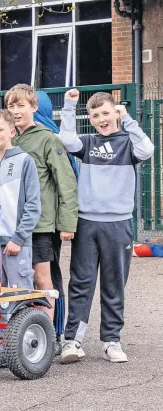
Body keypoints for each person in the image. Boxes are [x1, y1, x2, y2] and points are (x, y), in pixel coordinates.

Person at [59, 89, 154, 364]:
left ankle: (112, 341)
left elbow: (147, 150)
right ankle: (73, 340)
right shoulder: (87, 142)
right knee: (81, 282)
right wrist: (69, 106)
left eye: (105, 113)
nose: (101, 118)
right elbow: (66, 140)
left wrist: (129, 121)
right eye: (95, 114)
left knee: (114, 284)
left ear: (116, 113)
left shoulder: (129, 144)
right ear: (90, 118)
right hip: (87, 223)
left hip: (119, 224)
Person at [4, 84, 78, 322]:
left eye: (21, 106)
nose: (16, 111)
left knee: (42, 278)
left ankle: (49, 334)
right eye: (11, 106)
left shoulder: (47, 139)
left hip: (41, 224)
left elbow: (66, 182)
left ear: (34, 107)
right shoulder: (9, 138)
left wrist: (67, 223)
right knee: (14, 279)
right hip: (12, 225)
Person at [0, 109, 41, 370]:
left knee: (19, 294)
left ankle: (23, 349)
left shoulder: (25, 161)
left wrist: (19, 236)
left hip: (16, 243)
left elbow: (33, 206)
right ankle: (0, 348)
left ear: (12, 131)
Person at [34, 90, 79, 350]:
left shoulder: (52, 139)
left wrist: (66, 224)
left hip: (48, 223)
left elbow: (67, 183)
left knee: (49, 276)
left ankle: (56, 331)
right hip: (24, 223)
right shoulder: (17, 136)